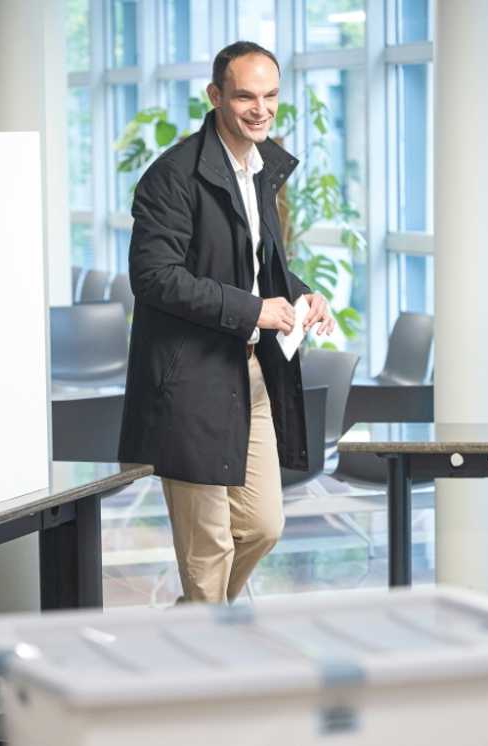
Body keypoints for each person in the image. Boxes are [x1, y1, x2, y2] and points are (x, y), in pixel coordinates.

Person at [117, 41, 335, 605]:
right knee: (209, 549)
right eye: (245, 96)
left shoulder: (259, 171)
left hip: (251, 377)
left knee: (264, 526)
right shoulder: (172, 177)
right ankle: (204, 665)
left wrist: (304, 296)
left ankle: (193, 627)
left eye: (270, 96)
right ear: (216, 96)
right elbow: (154, 277)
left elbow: (258, 268)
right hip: (190, 384)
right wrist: (251, 311)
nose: (260, 109)